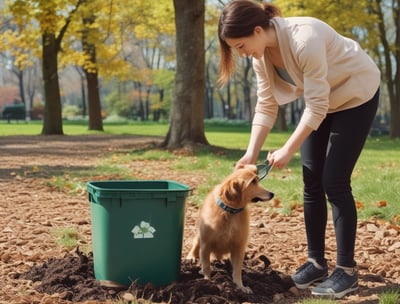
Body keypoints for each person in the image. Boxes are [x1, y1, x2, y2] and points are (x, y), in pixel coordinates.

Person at [217, 0, 380, 299]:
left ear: (257, 30)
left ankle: (346, 271)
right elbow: (266, 104)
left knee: (334, 180)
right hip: (324, 101)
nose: (241, 54)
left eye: (240, 46)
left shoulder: (305, 38)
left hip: (356, 94)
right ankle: (316, 262)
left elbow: (315, 104)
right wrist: (252, 153)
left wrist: (288, 148)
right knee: (311, 180)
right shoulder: (260, 55)